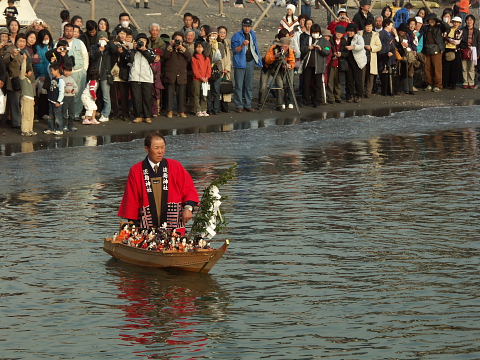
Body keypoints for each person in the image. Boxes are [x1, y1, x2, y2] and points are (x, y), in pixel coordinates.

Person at [118, 131, 199, 233]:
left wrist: (188, 208)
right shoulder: (136, 170)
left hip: (174, 225)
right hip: (146, 228)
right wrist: (133, 226)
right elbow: (131, 199)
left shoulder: (175, 166)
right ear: (147, 148)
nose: (160, 151)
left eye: (163, 147)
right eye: (156, 148)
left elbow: (189, 189)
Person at [231, 18, 262, 112]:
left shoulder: (253, 34)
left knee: (248, 85)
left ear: (251, 27)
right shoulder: (236, 36)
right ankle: (239, 106)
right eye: (245, 26)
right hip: (240, 63)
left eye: (248, 26)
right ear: (242, 26)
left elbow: (255, 47)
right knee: (239, 85)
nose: (247, 28)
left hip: (250, 62)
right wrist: (243, 45)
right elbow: (235, 50)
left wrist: (259, 60)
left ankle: (248, 104)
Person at [62, 23, 89, 120]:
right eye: (67, 30)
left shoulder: (80, 42)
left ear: (74, 32)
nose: (69, 32)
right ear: (64, 31)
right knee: (66, 94)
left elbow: (85, 56)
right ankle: (66, 114)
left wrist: (84, 70)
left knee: (78, 93)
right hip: (65, 74)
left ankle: (76, 114)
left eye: (71, 30)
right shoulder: (60, 43)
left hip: (79, 72)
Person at [300, 24, 331, 107]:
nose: (315, 34)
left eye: (316, 32)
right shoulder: (307, 39)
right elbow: (302, 49)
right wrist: (308, 48)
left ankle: (317, 101)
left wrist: (321, 49)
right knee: (306, 83)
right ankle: (306, 100)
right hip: (308, 65)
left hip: (319, 65)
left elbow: (328, 50)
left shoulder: (324, 41)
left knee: (318, 84)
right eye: (313, 32)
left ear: (319, 32)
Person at [129, 33, 156, 123]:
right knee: (136, 98)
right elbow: (128, 59)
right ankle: (138, 115)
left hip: (147, 77)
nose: (142, 42)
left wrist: (144, 50)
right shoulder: (132, 51)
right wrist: (133, 49)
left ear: (146, 42)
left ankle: (147, 116)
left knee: (147, 97)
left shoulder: (150, 50)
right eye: (140, 40)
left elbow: (152, 59)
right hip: (134, 76)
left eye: (144, 40)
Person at [163, 31, 191, 118]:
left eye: (180, 40)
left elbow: (190, 59)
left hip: (181, 75)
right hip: (171, 75)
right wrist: (170, 47)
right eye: (176, 40)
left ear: (183, 40)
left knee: (181, 94)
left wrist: (183, 49)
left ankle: (181, 111)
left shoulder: (185, 48)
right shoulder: (168, 47)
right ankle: (169, 111)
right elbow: (164, 58)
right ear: (173, 40)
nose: (178, 41)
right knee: (169, 94)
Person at [89, 31, 116, 122]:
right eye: (100, 38)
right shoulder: (94, 47)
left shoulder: (109, 48)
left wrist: (108, 41)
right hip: (94, 75)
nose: (102, 40)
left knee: (106, 96)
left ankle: (105, 114)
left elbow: (115, 50)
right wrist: (99, 50)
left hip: (105, 75)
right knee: (91, 95)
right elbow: (92, 57)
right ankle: (90, 113)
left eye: (103, 38)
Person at [422, 13, 450, 92]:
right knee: (427, 68)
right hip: (427, 49)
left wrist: (440, 21)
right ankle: (429, 84)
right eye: (430, 19)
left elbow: (448, 28)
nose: (431, 21)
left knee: (437, 68)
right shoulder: (426, 28)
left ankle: (438, 85)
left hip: (437, 49)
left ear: (435, 20)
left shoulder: (439, 27)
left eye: (433, 19)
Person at [343, 23, 367, 102]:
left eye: (351, 31)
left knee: (358, 79)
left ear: (355, 31)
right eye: (348, 31)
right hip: (348, 61)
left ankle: (359, 95)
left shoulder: (359, 37)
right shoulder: (345, 38)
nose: (350, 33)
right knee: (349, 80)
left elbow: (361, 46)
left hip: (357, 62)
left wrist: (353, 47)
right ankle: (350, 95)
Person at [327, 25, 347, 103]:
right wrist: (332, 54)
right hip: (331, 63)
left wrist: (341, 54)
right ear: (335, 32)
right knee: (330, 81)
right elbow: (327, 48)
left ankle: (337, 96)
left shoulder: (344, 41)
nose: (339, 34)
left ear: (343, 34)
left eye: (340, 33)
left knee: (338, 81)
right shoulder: (331, 40)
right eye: (337, 32)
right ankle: (330, 97)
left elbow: (346, 53)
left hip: (340, 63)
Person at [192, 41, 212, 117]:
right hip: (197, 79)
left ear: (203, 48)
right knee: (196, 94)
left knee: (204, 94)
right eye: (197, 47)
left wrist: (207, 77)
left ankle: (204, 109)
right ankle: (198, 110)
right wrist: (201, 77)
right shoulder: (194, 58)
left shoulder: (206, 58)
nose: (199, 49)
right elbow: (195, 70)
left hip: (205, 79)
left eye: (200, 47)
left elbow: (209, 68)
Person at [362, 20, 382, 97]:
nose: (368, 28)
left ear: (372, 27)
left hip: (371, 58)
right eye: (367, 26)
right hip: (362, 58)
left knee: (370, 76)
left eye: (370, 26)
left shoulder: (375, 35)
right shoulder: (360, 33)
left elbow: (379, 46)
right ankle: (361, 92)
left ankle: (368, 92)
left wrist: (371, 48)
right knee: (362, 76)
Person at [460, 14, 480, 89]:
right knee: (464, 67)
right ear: (465, 21)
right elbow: (459, 41)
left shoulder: (477, 31)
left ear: (474, 21)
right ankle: (465, 82)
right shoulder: (462, 30)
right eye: (468, 20)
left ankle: (471, 82)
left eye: (471, 20)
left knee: (471, 67)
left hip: (473, 50)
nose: (469, 21)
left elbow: (478, 42)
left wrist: (478, 53)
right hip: (464, 50)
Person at [443, 16, 462, 90]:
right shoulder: (448, 29)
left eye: (457, 22)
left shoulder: (460, 31)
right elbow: (444, 36)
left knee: (454, 68)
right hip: (447, 49)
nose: (455, 23)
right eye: (454, 22)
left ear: (460, 24)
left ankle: (453, 84)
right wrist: (450, 39)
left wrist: (447, 39)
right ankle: (446, 83)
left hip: (455, 51)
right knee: (446, 68)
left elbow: (457, 42)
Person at [19, 53, 36, 137]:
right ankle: (24, 130)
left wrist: (33, 100)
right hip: (25, 99)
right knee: (26, 115)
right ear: (26, 72)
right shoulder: (22, 78)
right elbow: (23, 69)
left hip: (30, 99)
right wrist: (24, 60)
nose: (31, 73)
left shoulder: (28, 80)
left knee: (31, 115)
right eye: (29, 71)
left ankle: (30, 129)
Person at [46, 63, 65, 135]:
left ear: (57, 70)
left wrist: (58, 101)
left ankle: (59, 129)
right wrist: (51, 62)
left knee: (58, 116)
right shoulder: (53, 78)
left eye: (52, 70)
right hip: (51, 100)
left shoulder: (61, 80)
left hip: (57, 102)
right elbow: (48, 70)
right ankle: (51, 128)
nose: (51, 72)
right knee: (51, 116)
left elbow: (61, 92)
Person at [62, 65, 78, 131]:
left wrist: (74, 90)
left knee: (72, 112)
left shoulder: (71, 78)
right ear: (63, 70)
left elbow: (76, 87)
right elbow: (59, 87)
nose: (67, 72)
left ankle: (71, 125)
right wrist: (65, 90)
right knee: (64, 112)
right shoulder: (61, 78)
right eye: (66, 71)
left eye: (69, 71)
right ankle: (64, 125)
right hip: (64, 97)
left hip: (71, 97)